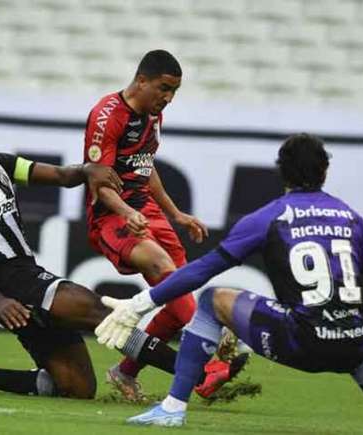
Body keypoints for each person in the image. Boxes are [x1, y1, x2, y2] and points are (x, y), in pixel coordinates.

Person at [97, 134, 363, 434]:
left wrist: (140, 302)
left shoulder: (269, 217)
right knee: (349, 343)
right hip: (352, 342)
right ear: (325, 171)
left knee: (211, 300)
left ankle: (172, 408)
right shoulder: (351, 219)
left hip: (301, 342)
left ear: (281, 172)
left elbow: (204, 268)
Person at [0, 103, 188, 398]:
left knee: (77, 388)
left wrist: (88, 169)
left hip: (25, 272)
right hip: (7, 282)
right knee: (100, 312)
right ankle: (196, 373)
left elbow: (62, 176)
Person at [84, 49, 240, 400]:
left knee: (177, 292)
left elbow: (145, 166)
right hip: (112, 216)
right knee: (162, 268)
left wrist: (176, 214)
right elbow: (98, 183)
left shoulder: (154, 116)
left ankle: (125, 373)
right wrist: (126, 212)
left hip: (147, 209)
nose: (168, 98)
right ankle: (211, 356)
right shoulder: (107, 116)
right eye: (164, 88)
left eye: (174, 92)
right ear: (141, 80)